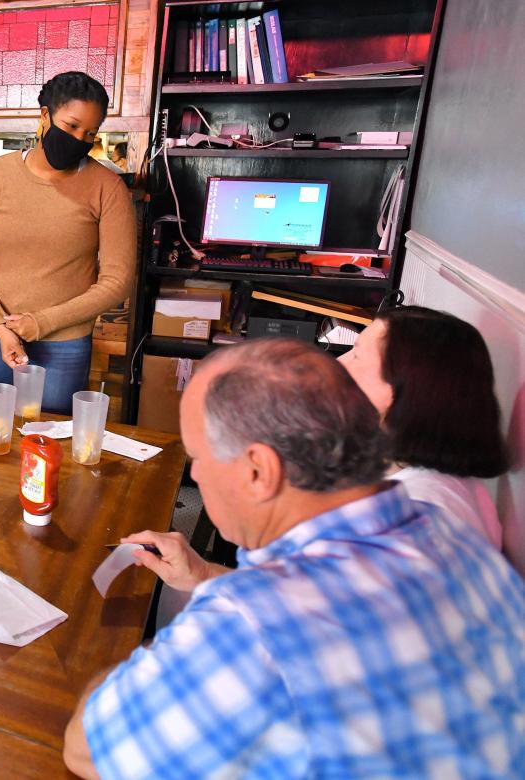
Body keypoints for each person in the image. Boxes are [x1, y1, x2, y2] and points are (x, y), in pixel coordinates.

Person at [64, 338, 525, 779]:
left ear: (259, 471)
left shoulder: (250, 629)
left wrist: (162, 654)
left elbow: (87, 750)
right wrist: (206, 576)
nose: (197, 475)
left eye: (197, 458)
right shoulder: (441, 528)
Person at [0, 71, 136, 414]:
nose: (80, 139)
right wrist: (0, 326)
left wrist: (41, 323)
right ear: (45, 115)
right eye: (71, 126)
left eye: (90, 133)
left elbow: (117, 281)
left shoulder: (107, 188)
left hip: (65, 345)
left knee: (45, 448)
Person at [339, 306, 509, 547]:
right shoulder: (448, 486)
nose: (337, 363)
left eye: (356, 355)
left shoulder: (415, 513)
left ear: (404, 387)